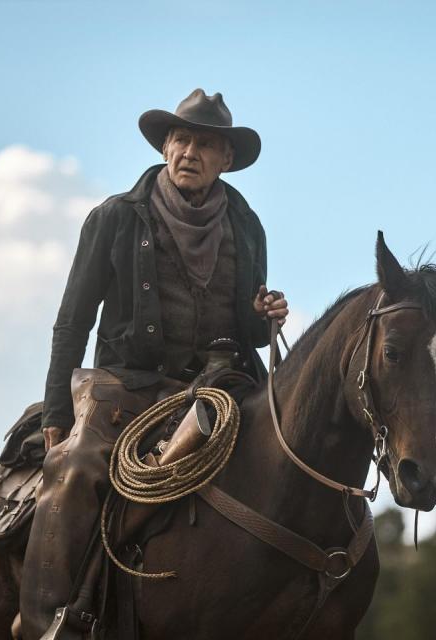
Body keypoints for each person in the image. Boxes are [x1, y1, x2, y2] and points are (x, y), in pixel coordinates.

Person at [20, 89, 288, 640]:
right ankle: (47, 624)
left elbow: (248, 330)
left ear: (227, 160)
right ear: (165, 146)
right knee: (73, 472)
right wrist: (55, 412)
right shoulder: (115, 217)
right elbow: (72, 322)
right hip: (126, 387)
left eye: (206, 144)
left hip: (220, 388)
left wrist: (264, 317)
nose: (191, 152)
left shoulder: (248, 225)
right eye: (182, 139)